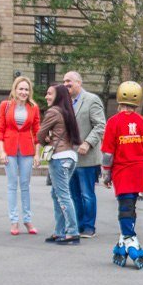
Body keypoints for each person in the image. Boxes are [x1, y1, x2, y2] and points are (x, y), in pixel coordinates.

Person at [101, 81, 143, 269]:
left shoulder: (113, 122)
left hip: (122, 170)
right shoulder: (142, 122)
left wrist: (106, 174)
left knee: (125, 206)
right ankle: (121, 245)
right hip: (138, 170)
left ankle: (132, 242)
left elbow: (108, 154)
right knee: (130, 206)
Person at [0, 76, 41, 235]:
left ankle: (27, 220)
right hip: (9, 149)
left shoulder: (33, 107)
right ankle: (14, 221)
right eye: (21, 89)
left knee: (25, 185)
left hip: (27, 150)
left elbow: (37, 132)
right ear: (15, 90)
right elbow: (0, 129)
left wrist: (37, 154)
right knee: (12, 185)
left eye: (26, 89)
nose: (23, 92)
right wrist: (1, 151)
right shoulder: (5, 105)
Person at [63, 71, 106, 238]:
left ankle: (89, 227)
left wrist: (87, 143)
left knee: (87, 194)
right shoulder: (65, 102)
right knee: (73, 195)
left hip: (87, 158)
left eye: (69, 81)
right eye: (64, 81)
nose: (66, 84)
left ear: (79, 82)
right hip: (69, 157)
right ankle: (77, 225)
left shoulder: (91, 100)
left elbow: (100, 125)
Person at [37, 84, 82, 245]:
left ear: (58, 96)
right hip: (70, 156)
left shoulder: (53, 112)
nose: (46, 97)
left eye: (50, 94)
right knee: (57, 194)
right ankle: (59, 231)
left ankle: (72, 232)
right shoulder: (67, 112)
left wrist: (45, 140)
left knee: (62, 195)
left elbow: (40, 134)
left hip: (59, 158)